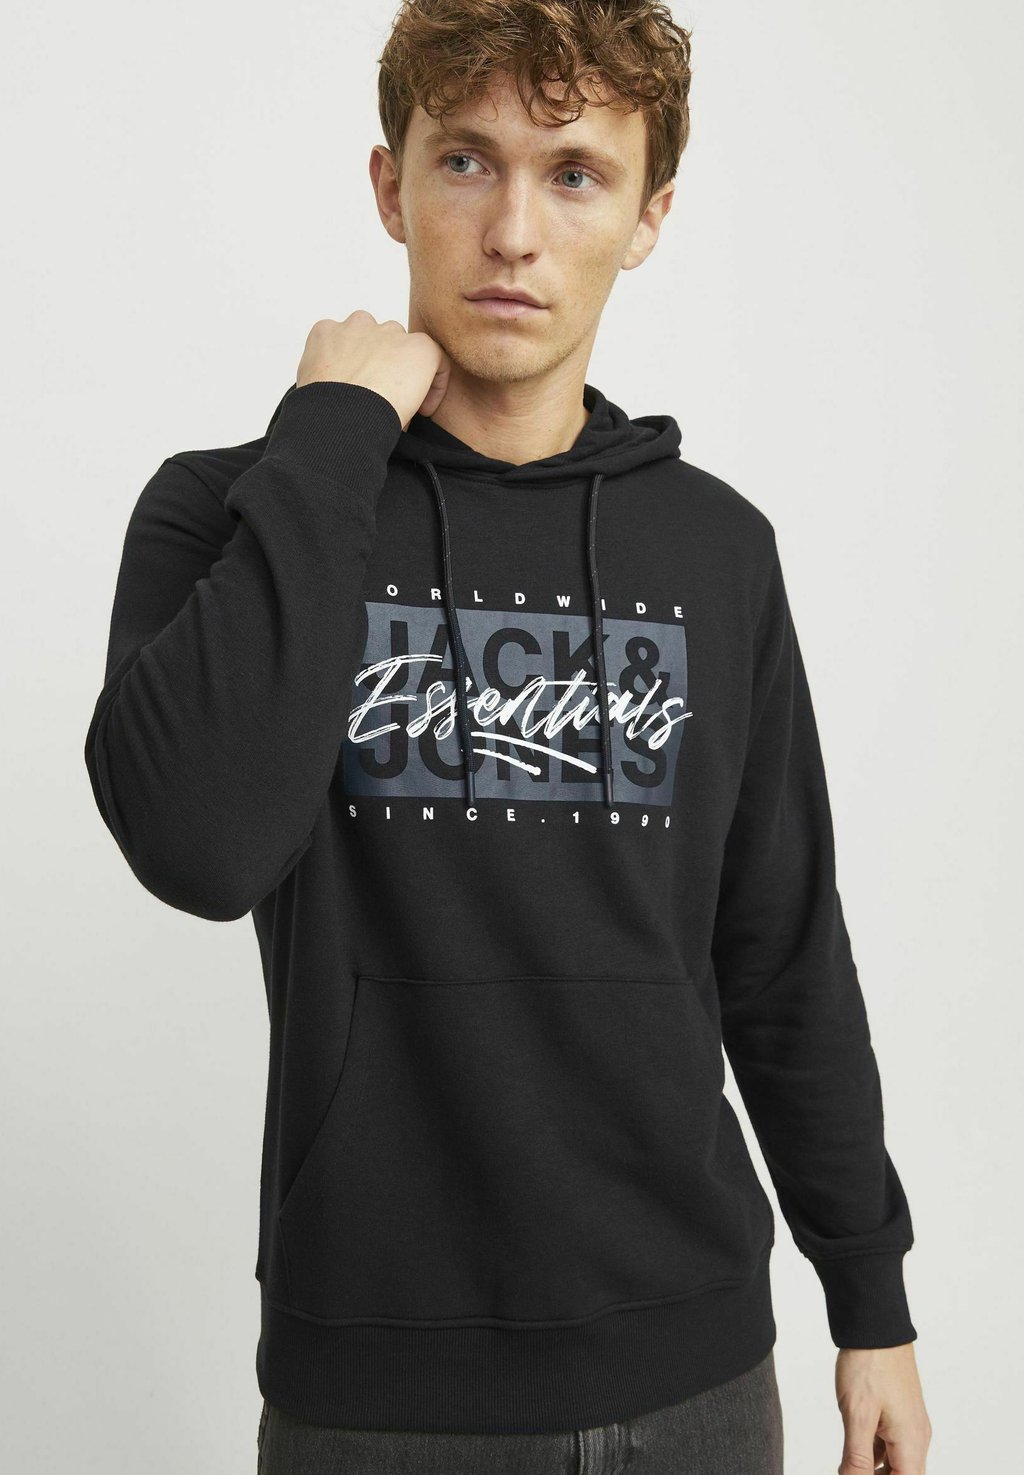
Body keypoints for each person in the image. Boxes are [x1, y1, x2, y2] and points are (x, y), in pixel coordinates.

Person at [83, 2, 932, 1471]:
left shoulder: (717, 551)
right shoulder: (236, 512)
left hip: (700, 1371)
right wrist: (331, 435)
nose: (515, 234)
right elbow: (201, 848)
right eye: (467, 161)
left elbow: (782, 944)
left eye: (576, 174)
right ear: (390, 185)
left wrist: (872, 1301)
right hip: (383, 1392)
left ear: (650, 216)